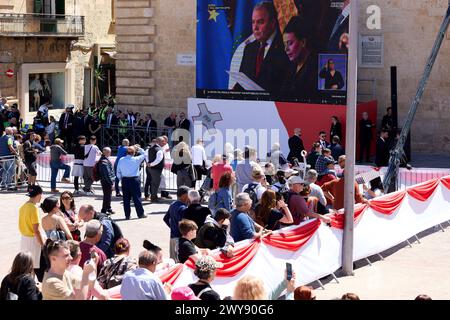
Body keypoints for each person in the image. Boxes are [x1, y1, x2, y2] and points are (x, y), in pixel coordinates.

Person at [236, 1, 290, 96]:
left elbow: (287, 86)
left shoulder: (285, 47)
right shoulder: (249, 48)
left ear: (272, 23)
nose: (255, 27)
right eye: (253, 22)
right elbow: (242, 82)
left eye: (260, 22)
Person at [280, 15, 319, 99]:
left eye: (290, 43)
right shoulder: (291, 67)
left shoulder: (316, 67)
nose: (286, 49)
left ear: (303, 42)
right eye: (284, 44)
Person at [18, 185, 46, 278]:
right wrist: (42, 245)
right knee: (32, 266)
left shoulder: (23, 206)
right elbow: (36, 230)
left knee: (26, 264)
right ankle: (30, 285)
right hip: (33, 240)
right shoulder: (34, 208)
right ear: (39, 195)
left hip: (24, 238)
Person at [116, 146, 147, 220]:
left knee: (126, 199)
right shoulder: (136, 159)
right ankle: (140, 214)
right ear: (134, 153)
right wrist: (138, 148)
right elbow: (144, 154)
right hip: (134, 180)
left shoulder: (121, 159)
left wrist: (121, 179)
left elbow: (118, 171)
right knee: (137, 198)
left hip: (125, 180)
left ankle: (127, 215)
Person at [163, 186, 190, 262]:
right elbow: (184, 224)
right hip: (180, 237)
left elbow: (165, 218)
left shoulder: (173, 205)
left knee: (172, 260)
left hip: (172, 237)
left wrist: (172, 227)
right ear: (184, 195)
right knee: (180, 261)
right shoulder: (184, 208)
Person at [147, 137, 166, 202]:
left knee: (153, 183)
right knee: (156, 183)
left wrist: (149, 164)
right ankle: (154, 197)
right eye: (163, 141)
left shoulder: (151, 148)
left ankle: (154, 195)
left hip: (152, 169)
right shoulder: (159, 150)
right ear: (159, 142)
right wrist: (151, 164)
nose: (164, 143)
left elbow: (147, 157)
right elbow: (158, 160)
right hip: (156, 169)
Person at [98, 147, 115, 215]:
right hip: (106, 181)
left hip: (107, 180)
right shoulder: (104, 162)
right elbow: (107, 174)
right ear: (105, 152)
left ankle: (108, 208)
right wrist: (111, 183)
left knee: (108, 195)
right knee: (107, 196)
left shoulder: (105, 159)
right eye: (109, 152)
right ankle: (104, 211)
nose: (110, 153)